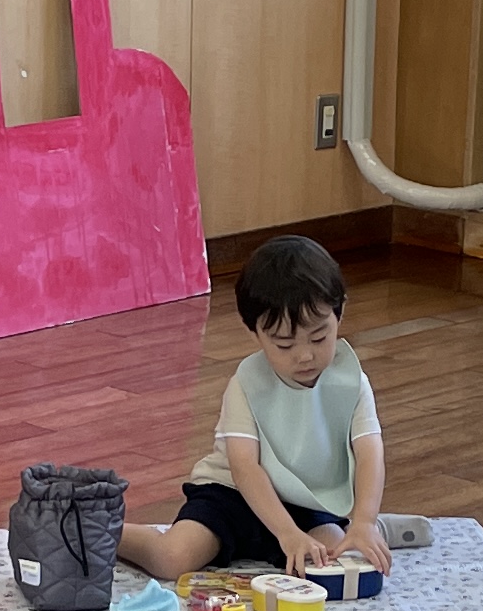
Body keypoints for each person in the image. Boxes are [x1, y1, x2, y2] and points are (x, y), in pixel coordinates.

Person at [117, 235, 396, 582]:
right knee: (172, 559)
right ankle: (102, 530)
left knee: (335, 564)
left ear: (339, 313)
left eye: (319, 337)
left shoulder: (351, 383)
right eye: (284, 344)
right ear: (255, 334)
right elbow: (245, 467)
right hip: (231, 496)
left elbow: (370, 452)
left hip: (307, 503)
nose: (304, 355)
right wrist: (286, 533)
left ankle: (381, 526)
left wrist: (364, 522)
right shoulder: (246, 384)